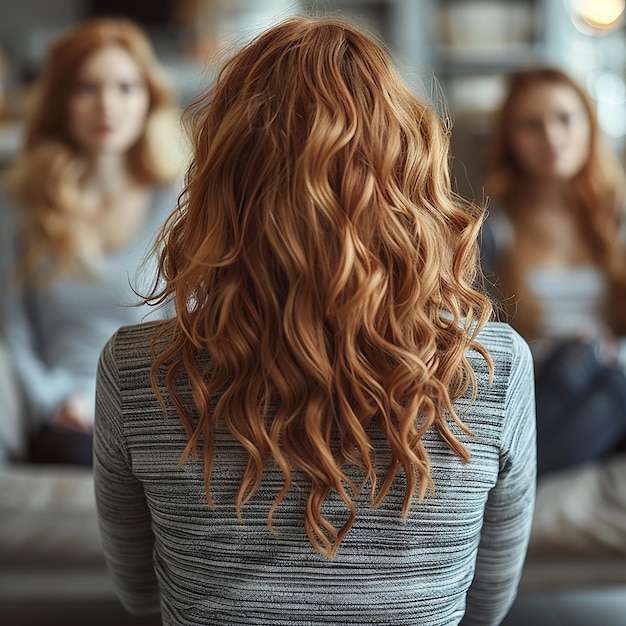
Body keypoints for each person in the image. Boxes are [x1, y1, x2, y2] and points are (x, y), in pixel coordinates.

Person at [94, 16, 536, 626]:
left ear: (223, 180)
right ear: (408, 173)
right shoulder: (496, 365)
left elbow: (139, 594)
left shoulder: (136, 370)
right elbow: (487, 602)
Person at [0, 17, 182, 466]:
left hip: (152, 411)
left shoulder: (180, 201)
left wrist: (124, 409)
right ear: (61, 100)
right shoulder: (20, 202)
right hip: (61, 416)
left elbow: (188, 333)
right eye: (86, 88)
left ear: (149, 99)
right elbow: (13, 334)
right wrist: (59, 402)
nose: (107, 105)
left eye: (125, 88)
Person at [482, 66, 626, 476]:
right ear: (509, 139)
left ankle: (502, 480)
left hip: (608, 383)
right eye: (531, 125)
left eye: (565, 118)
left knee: (612, 380)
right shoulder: (493, 232)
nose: (551, 137)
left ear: (589, 124)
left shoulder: (617, 220)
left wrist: (601, 350)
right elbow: (486, 346)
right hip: (541, 387)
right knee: (576, 362)